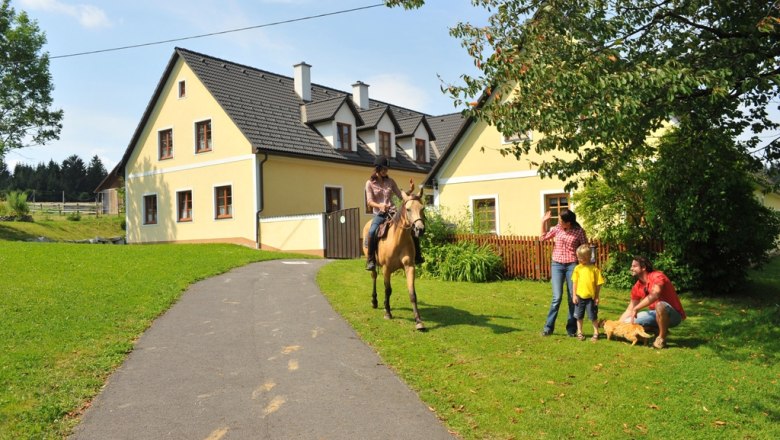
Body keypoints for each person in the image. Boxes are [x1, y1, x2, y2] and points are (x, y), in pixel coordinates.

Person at [364, 156, 422, 270]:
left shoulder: (390, 182)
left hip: (393, 212)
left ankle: (418, 256)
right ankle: (371, 260)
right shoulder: (369, 183)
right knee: (371, 232)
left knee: (411, 228)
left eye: (387, 169)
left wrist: (410, 190)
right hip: (380, 214)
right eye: (384, 169)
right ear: (377, 169)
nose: (386, 171)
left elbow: (401, 196)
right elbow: (369, 202)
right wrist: (380, 205)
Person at [619, 255, 686, 349]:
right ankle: (657, 330)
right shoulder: (637, 286)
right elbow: (630, 310)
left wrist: (637, 308)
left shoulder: (657, 276)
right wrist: (617, 326)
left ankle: (661, 339)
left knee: (660, 305)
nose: (631, 268)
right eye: (631, 266)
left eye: (634, 266)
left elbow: (655, 295)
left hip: (673, 315)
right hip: (654, 315)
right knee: (626, 323)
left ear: (643, 268)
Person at [540, 209, 588, 337]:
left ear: (569, 222)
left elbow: (585, 248)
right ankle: (548, 328)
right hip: (557, 265)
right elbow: (543, 238)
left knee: (573, 298)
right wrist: (543, 222)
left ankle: (571, 329)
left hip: (572, 265)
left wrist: (587, 268)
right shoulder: (557, 228)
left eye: (561, 220)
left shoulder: (579, 231)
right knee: (557, 298)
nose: (559, 221)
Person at [571, 244, 604, 341]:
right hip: (579, 297)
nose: (579, 260)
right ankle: (580, 332)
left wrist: (597, 297)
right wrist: (574, 295)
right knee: (579, 316)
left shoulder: (594, 270)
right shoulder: (577, 268)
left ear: (588, 257)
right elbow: (574, 282)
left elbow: (598, 284)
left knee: (593, 316)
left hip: (591, 298)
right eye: (578, 258)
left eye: (581, 258)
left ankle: (596, 332)